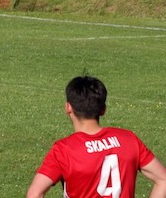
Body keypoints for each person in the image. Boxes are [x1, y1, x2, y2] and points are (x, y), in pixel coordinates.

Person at [27, 75, 166, 198]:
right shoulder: (129, 139)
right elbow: (163, 179)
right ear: (103, 109)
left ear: (68, 107)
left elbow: (35, 193)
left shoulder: (64, 150)